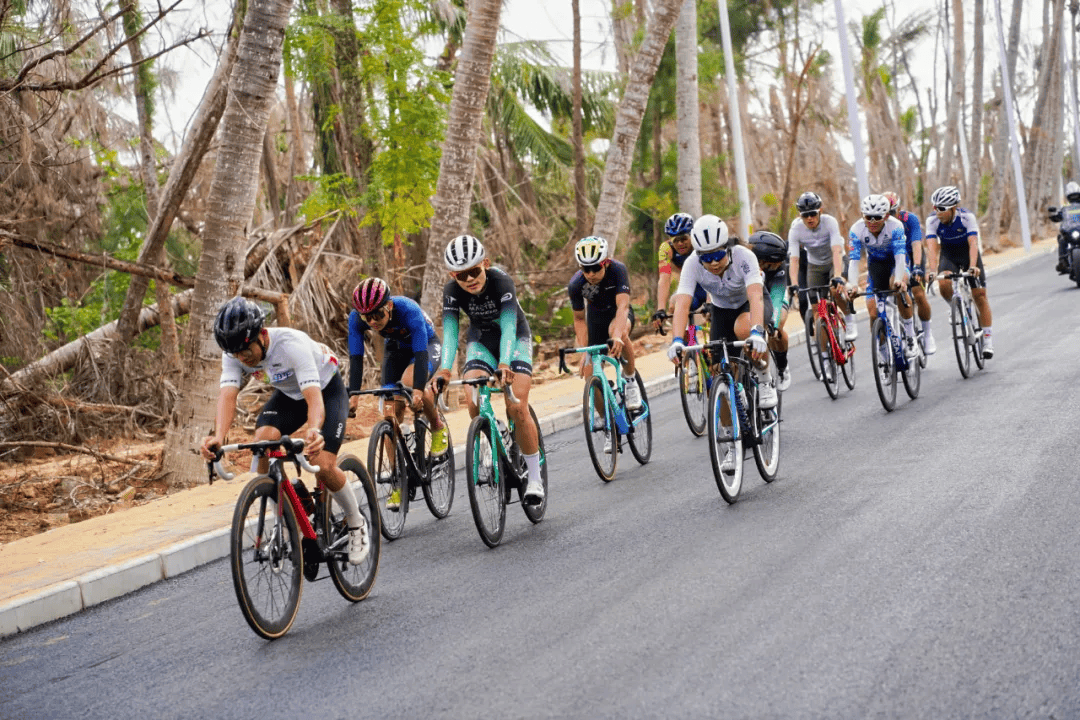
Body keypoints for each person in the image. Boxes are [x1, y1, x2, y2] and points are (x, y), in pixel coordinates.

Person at [200, 296, 370, 565]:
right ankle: (285, 510)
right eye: (235, 353)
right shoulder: (234, 351)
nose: (241, 358)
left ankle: (356, 522)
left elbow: (314, 399)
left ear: (262, 335)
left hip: (326, 390)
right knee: (263, 441)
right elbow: (227, 395)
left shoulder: (291, 345)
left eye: (245, 351)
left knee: (322, 463)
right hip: (290, 396)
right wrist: (218, 437)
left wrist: (314, 430)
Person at [430, 235, 544, 504]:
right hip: (481, 339)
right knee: (472, 397)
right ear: (452, 275)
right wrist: (444, 369)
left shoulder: (501, 281)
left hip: (514, 338)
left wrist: (504, 363)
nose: (470, 279)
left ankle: (535, 479)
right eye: (462, 275)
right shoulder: (451, 291)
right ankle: (496, 431)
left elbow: (508, 326)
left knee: (517, 406)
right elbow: (450, 333)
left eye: (474, 271)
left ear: (486, 264)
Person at [348, 277, 446, 511]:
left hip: (425, 346)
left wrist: (419, 391)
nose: (372, 321)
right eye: (367, 317)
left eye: (377, 315)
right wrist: (354, 396)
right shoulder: (357, 318)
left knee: (410, 384)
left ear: (389, 306)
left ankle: (437, 426)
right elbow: (356, 359)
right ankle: (398, 480)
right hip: (396, 349)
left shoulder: (408, 309)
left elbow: (421, 355)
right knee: (390, 414)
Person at [568, 235, 641, 408]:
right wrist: (585, 351)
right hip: (596, 321)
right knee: (589, 377)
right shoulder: (576, 284)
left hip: (618, 314)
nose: (591, 274)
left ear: (606, 262)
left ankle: (631, 380)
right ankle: (604, 420)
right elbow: (579, 319)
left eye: (595, 268)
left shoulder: (618, 270)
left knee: (617, 332)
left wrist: (617, 335)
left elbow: (623, 306)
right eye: (586, 269)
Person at [924, 185, 995, 359]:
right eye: (935, 207)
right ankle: (955, 307)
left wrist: (973, 266)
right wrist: (932, 270)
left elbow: (973, 243)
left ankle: (987, 340)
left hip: (968, 253)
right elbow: (932, 248)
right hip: (949, 255)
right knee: (943, 283)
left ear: (953, 207)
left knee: (980, 295)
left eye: (942, 208)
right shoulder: (932, 221)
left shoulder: (966, 217)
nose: (937, 212)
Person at [845, 194, 918, 360]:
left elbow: (900, 257)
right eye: (868, 217)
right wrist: (853, 285)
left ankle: (910, 336)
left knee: (896, 286)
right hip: (876, 266)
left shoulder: (896, 226)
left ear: (886, 216)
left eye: (877, 217)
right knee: (873, 312)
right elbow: (854, 261)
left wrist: (899, 280)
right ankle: (883, 353)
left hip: (896, 263)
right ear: (862, 215)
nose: (872, 221)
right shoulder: (856, 230)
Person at [787, 191, 854, 340]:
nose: (809, 218)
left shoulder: (830, 222)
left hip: (835, 261)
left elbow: (836, 251)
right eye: (805, 215)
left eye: (812, 214)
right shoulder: (795, 230)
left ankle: (849, 320)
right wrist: (794, 284)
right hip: (815, 265)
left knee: (835, 289)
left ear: (820, 211)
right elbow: (794, 260)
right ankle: (824, 352)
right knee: (817, 310)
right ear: (800, 216)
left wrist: (837, 276)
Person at [884, 191, 935, 354]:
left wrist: (918, 266)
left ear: (899, 209)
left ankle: (927, 333)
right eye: (884, 213)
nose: (888, 217)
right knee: (896, 287)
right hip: (895, 257)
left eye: (891, 212)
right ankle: (906, 329)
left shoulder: (910, 219)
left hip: (913, 255)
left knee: (918, 293)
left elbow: (916, 244)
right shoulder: (879, 224)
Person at [748, 230, 793, 391]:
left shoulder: (780, 268)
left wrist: (773, 321)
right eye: (776, 262)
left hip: (774, 293)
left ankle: (782, 366)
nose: (780, 264)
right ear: (762, 261)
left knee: (776, 326)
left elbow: (777, 297)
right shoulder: (744, 262)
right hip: (753, 295)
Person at [652, 212, 709, 334]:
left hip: (710, 286)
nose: (679, 244)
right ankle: (688, 341)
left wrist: (709, 303)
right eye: (675, 240)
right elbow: (664, 278)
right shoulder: (666, 248)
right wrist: (660, 309)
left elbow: (712, 276)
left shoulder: (701, 243)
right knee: (674, 306)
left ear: (692, 235)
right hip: (691, 288)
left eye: (683, 239)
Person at [1049, 180, 1080, 274]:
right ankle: (1062, 262)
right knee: (1062, 239)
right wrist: (1053, 216)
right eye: (1072, 196)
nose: (1074, 198)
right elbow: (1058, 216)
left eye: (1076, 196)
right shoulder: (1065, 209)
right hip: (1071, 230)